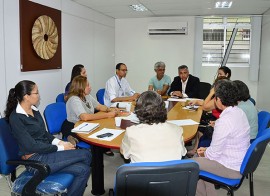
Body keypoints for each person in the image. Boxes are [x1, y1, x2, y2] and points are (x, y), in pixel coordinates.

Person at [4, 80, 91, 196]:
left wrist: (60, 142)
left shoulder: (34, 110)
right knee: (86, 154)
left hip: (47, 154)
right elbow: (31, 146)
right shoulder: (15, 118)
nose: (39, 95)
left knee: (84, 170)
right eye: (36, 93)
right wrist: (60, 147)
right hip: (35, 160)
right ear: (26, 96)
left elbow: (44, 133)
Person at [192, 80, 250, 196]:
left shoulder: (224, 121)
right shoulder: (239, 112)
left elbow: (213, 156)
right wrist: (206, 151)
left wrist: (205, 152)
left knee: (190, 165)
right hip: (238, 162)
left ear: (218, 100)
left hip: (231, 168)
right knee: (199, 158)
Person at [120, 91, 187, 163]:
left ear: (138, 110)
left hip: (142, 173)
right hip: (173, 173)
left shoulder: (131, 132)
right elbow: (183, 152)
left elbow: (124, 153)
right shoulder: (177, 129)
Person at [65, 75, 118, 156]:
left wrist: (109, 109)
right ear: (81, 87)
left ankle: (100, 150)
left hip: (87, 124)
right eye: (87, 85)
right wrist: (107, 115)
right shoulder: (74, 99)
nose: (90, 87)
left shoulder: (87, 96)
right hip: (76, 125)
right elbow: (84, 117)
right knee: (97, 136)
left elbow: (99, 106)